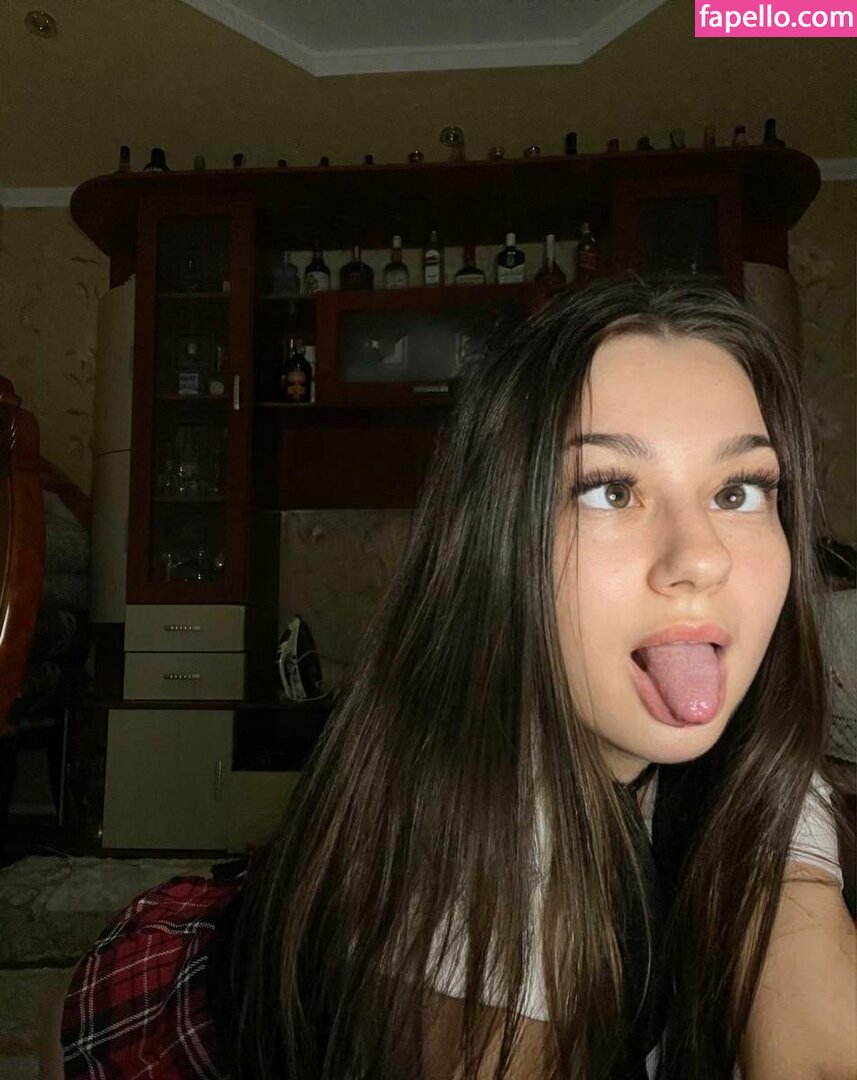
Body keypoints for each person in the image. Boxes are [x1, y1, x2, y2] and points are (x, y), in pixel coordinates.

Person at [45, 278, 855, 1079]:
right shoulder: (462, 870)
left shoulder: (759, 751)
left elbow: (804, 954)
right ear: (494, 540)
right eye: (609, 491)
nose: (701, 558)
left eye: (737, 491)